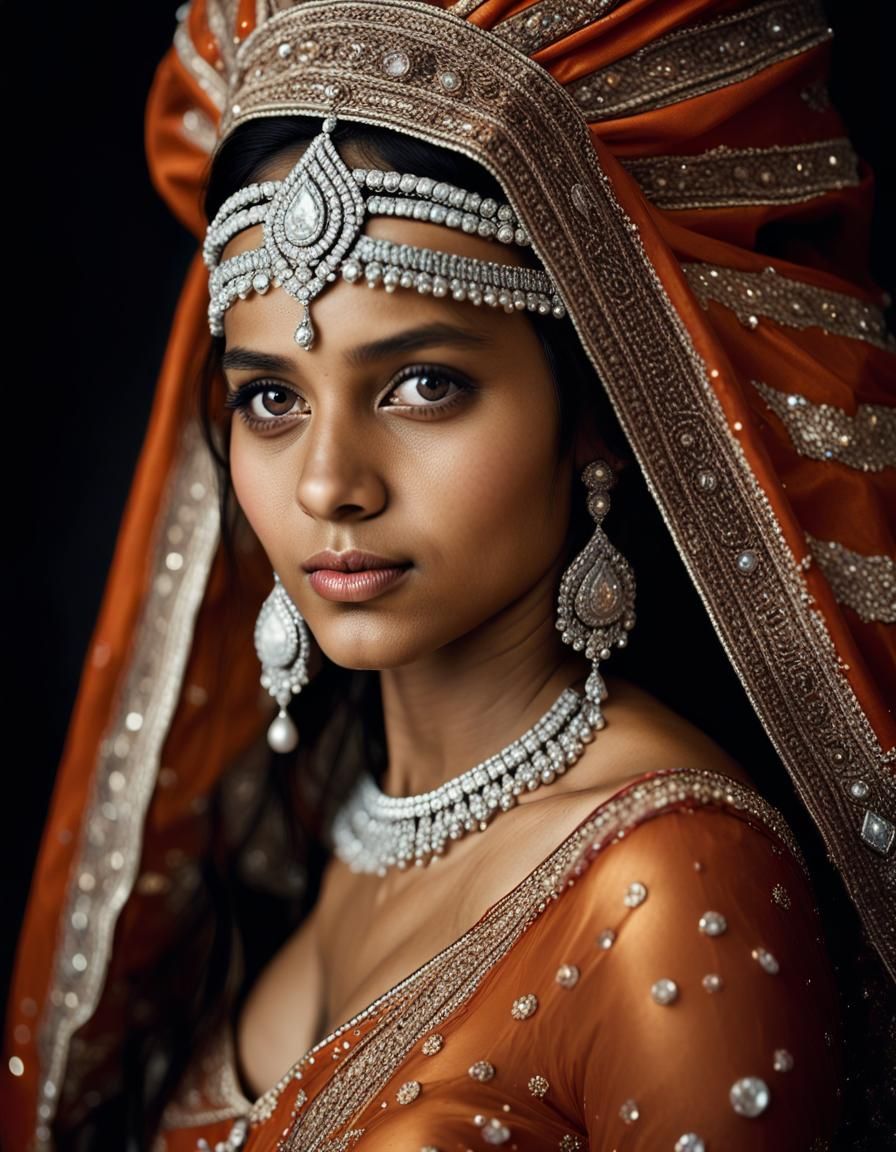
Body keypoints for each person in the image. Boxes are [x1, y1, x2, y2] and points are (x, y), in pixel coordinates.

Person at [4, 1, 894, 1150]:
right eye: (270, 399)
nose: (330, 484)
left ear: (596, 412)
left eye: (421, 384)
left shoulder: (668, 888)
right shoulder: (291, 840)